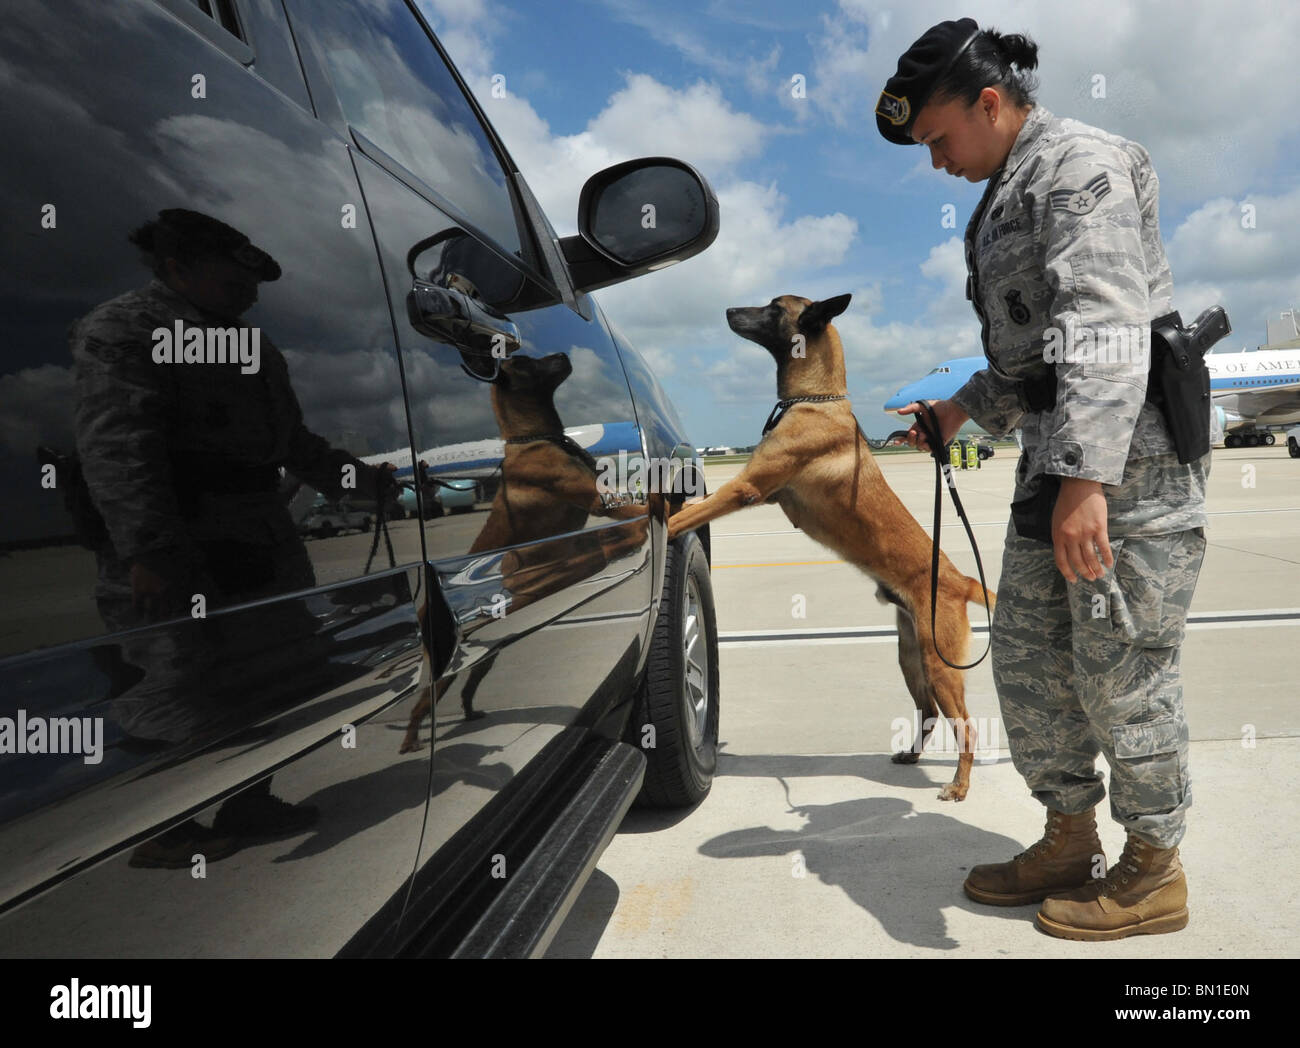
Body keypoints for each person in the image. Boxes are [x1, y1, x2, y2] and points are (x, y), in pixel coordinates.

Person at [876, 19, 1208, 940]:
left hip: (1123, 474)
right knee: (1030, 662)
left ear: (991, 102)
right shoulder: (1006, 187)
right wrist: (960, 407)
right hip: (1058, 462)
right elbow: (1040, 356)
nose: (936, 163)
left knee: (1122, 669)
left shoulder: (1079, 166)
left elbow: (1104, 323)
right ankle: (1069, 837)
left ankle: (1153, 870)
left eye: (939, 139)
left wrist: (1087, 480)